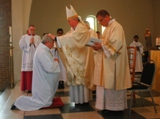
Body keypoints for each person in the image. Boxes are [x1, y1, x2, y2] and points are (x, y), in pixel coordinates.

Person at [48, 5, 95, 104]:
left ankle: (83, 100)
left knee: (80, 79)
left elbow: (71, 39)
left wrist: (57, 39)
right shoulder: (74, 29)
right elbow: (68, 37)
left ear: (75, 20)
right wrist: (58, 40)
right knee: (76, 79)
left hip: (81, 59)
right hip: (76, 59)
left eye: (69, 21)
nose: (69, 23)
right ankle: (78, 100)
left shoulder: (81, 28)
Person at [91, 10, 131, 115]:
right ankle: (108, 107)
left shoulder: (116, 26)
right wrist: (99, 46)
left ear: (107, 17)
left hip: (115, 63)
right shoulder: (108, 28)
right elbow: (105, 44)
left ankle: (116, 109)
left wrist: (101, 46)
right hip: (108, 62)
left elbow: (116, 43)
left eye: (100, 20)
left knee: (113, 83)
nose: (100, 23)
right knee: (107, 84)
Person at [11, 35, 60, 111]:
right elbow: (49, 68)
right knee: (44, 103)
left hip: (43, 80)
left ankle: (20, 101)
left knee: (45, 101)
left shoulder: (43, 50)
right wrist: (56, 62)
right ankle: (19, 102)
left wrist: (53, 59)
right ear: (48, 42)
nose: (53, 44)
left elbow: (47, 61)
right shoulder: (42, 51)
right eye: (52, 42)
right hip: (43, 82)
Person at [19, 25, 41, 93]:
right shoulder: (24, 37)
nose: (32, 31)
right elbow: (21, 45)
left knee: (36, 71)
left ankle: (36, 87)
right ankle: (28, 87)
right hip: (27, 57)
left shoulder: (38, 37)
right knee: (28, 71)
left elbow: (40, 46)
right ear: (28, 29)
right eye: (31, 29)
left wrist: (34, 43)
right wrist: (29, 43)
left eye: (33, 29)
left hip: (35, 56)